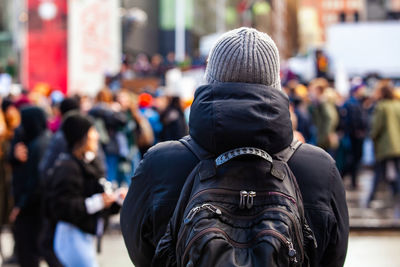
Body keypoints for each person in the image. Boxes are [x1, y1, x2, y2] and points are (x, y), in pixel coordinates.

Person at [121, 27, 349, 267]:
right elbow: (333, 256)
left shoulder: (160, 163)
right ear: (276, 84)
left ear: (209, 79)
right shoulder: (319, 169)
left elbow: (140, 249)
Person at [45, 113, 124, 267]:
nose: (96, 135)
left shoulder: (90, 162)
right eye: (92, 131)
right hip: (72, 236)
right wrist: (98, 202)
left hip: (86, 235)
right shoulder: (68, 167)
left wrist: (115, 199)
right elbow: (62, 207)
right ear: (81, 136)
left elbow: (98, 199)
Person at [9, 106, 51, 267]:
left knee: (29, 251)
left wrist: (20, 205)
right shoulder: (35, 140)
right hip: (33, 205)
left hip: (32, 207)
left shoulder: (39, 145)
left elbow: (36, 181)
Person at [368, 81, 400, 205]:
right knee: (397, 171)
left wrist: (372, 136)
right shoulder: (397, 105)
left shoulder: (381, 106)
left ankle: (371, 198)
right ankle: (396, 194)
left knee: (378, 172)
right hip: (397, 145)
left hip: (385, 145)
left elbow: (376, 127)